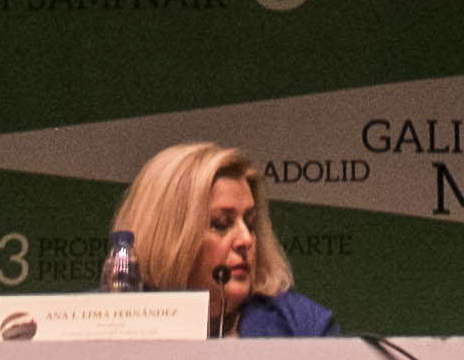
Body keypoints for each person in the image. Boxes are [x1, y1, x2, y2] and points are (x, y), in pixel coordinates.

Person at [109, 140, 339, 336]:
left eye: (250, 223)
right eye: (221, 224)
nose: (246, 240)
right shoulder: (107, 323)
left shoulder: (302, 327)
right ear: (169, 236)